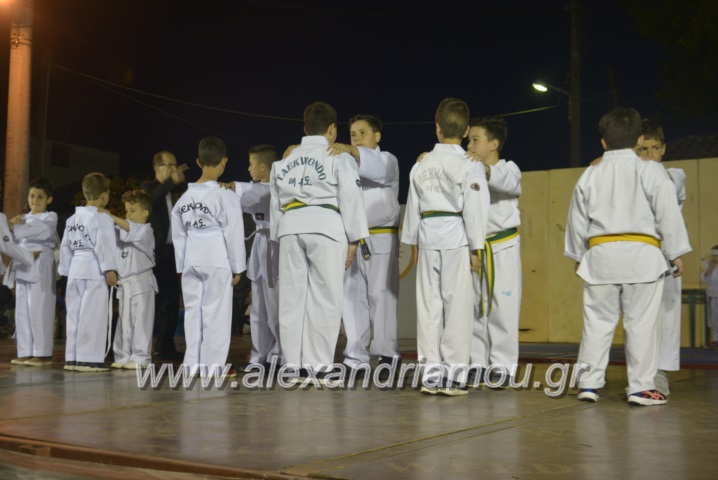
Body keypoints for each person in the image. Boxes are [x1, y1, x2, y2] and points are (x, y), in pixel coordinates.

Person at [565, 107, 691, 406]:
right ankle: (640, 388)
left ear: (603, 142)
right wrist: (675, 252)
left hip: (601, 256)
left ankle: (588, 384)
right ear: (639, 139)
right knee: (641, 324)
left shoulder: (591, 173)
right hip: (642, 257)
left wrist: (579, 255)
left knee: (597, 323)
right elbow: (667, 212)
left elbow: (576, 219)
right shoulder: (651, 171)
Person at [269, 101, 368, 383]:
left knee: (291, 299)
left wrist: (278, 236)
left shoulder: (284, 160)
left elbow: (275, 205)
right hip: (325, 228)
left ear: (305, 129)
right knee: (325, 299)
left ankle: (292, 366)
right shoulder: (338, 157)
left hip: (290, 228)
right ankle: (318, 367)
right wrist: (355, 238)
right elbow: (351, 197)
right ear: (333, 129)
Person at [401, 98, 489, 396]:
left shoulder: (421, 163)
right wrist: (476, 247)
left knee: (429, 307)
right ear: (466, 130)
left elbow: (413, 205)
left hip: (428, 235)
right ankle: (454, 375)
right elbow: (475, 208)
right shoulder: (470, 164)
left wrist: (412, 240)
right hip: (456, 236)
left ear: (437, 127)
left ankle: (430, 375)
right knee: (457, 307)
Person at [326, 114, 401, 373]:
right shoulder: (345, 162)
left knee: (381, 297)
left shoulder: (388, 160)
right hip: (352, 240)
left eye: (363, 133)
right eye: (352, 134)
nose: (356, 138)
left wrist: (352, 150)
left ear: (377, 136)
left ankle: (387, 356)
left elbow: (377, 168)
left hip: (381, 236)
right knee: (352, 299)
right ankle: (355, 358)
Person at [171, 137, 245, 378]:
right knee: (216, 314)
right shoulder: (225, 196)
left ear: (198, 162)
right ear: (224, 161)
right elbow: (233, 233)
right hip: (216, 259)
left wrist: (181, 266)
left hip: (191, 260)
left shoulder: (183, 199)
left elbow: (178, 236)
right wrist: (238, 267)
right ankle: (212, 366)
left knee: (193, 313)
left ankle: (191, 364)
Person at [465, 117, 521, 385]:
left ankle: (503, 366)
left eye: (475, 140)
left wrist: (484, 170)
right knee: (475, 306)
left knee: (503, 307)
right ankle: (477, 362)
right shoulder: (469, 169)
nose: (469, 145)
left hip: (503, 246)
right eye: (469, 140)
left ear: (494, 144)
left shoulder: (509, 168)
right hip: (475, 247)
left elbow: (510, 183)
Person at [635, 119, 686, 396]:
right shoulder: (631, 176)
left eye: (655, 148)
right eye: (643, 150)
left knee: (665, 319)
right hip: (638, 254)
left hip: (667, 254)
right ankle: (640, 373)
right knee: (639, 318)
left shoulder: (674, 176)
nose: (650, 155)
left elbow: (664, 186)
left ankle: (659, 373)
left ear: (664, 149)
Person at [225, 145, 281, 370]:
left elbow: (257, 193)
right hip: (259, 244)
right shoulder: (256, 189)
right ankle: (259, 356)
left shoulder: (278, 187)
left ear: (263, 167)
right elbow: (248, 196)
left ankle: (278, 355)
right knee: (258, 307)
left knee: (275, 306)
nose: (248, 169)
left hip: (275, 246)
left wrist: (234, 186)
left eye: (251, 165)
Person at [58, 173, 118, 372]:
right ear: (104, 195)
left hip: (75, 269)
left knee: (74, 315)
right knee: (93, 315)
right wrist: (109, 268)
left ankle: (72, 358)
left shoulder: (72, 219)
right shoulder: (102, 218)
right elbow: (105, 244)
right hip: (94, 269)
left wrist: (65, 270)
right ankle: (89, 359)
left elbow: (65, 246)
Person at [4, 178, 58, 366]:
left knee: (40, 308)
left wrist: (12, 226)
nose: (35, 200)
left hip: (41, 262)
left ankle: (43, 353)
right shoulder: (22, 219)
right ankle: (25, 351)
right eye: (32, 196)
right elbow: (10, 241)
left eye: (40, 197)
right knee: (22, 310)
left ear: (49, 199)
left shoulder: (50, 217)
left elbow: (40, 231)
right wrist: (10, 227)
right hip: (23, 263)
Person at [102, 190, 157, 370]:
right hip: (125, 284)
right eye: (126, 211)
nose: (128, 215)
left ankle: (141, 357)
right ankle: (123, 355)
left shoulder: (146, 231)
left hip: (142, 282)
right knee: (124, 321)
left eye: (133, 211)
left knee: (141, 321)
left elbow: (132, 230)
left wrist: (110, 215)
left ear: (145, 213)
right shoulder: (122, 231)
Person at [142, 151, 187, 360]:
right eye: (169, 165)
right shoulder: (148, 188)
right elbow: (150, 201)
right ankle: (147, 346)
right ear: (157, 168)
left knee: (171, 301)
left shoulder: (174, 191)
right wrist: (170, 183)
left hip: (172, 252)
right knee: (156, 302)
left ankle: (165, 346)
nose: (173, 169)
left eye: (175, 165)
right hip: (154, 253)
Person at [702, 246, 718, 348]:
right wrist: (709, 269)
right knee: (714, 319)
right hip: (713, 296)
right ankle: (716, 339)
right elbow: (705, 279)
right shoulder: (711, 267)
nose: (715, 258)